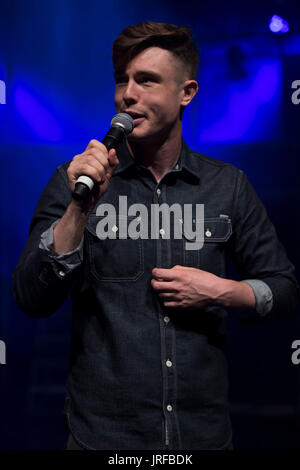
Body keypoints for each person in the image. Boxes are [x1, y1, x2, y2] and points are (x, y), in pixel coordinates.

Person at [12, 21, 299, 450]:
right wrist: (79, 208)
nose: (128, 94)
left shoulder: (228, 186)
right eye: (121, 80)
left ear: (187, 92)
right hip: (103, 440)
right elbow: (30, 298)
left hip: (200, 438)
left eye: (146, 80)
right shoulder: (74, 179)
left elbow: (285, 289)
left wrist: (224, 291)